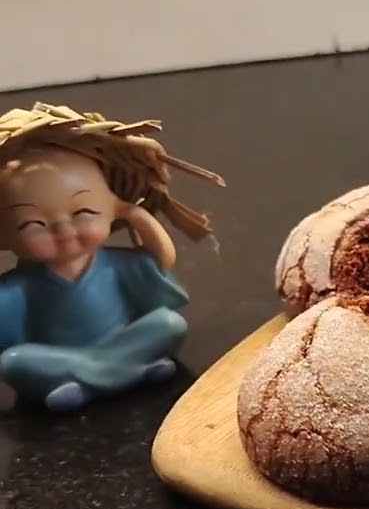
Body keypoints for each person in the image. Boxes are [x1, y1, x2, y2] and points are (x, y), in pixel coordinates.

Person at [0, 103, 223, 412]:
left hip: (116, 342)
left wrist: (134, 214)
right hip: (59, 355)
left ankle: (83, 384)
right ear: (7, 235)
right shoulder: (22, 286)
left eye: (84, 212)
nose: (64, 231)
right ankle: (131, 371)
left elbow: (161, 260)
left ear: (111, 208)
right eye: (33, 224)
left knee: (168, 324)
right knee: (14, 362)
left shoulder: (117, 264)